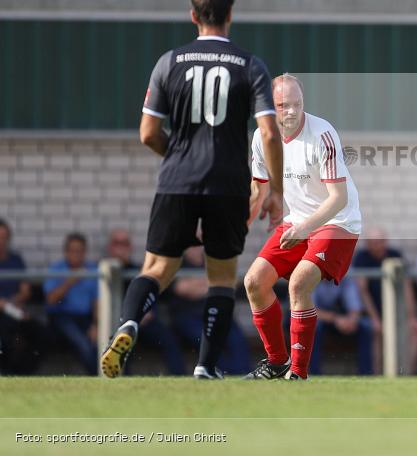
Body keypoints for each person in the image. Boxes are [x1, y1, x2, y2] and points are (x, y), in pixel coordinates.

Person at [101, 0, 284, 380]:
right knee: (220, 277)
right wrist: (276, 192)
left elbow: (148, 133)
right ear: (230, 15)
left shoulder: (169, 62)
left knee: (156, 268)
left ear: (193, 16)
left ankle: (129, 323)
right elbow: (269, 133)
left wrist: (180, 157)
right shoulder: (250, 65)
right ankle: (205, 365)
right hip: (228, 185)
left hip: (176, 181)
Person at [242, 74, 362, 381]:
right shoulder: (261, 138)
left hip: (337, 222)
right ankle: (276, 362)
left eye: (297, 104)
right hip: (298, 222)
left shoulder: (322, 133)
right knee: (254, 281)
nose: (292, 111)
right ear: (271, 106)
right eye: (283, 105)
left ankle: (298, 373)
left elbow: (338, 199)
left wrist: (303, 228)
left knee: (299, 283)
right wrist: (238, 225)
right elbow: (260, 189)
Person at [102, 229, 184, 375]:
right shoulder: (104, 274)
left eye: (124, 244)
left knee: (169, 340)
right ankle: (118, 379)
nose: (121, 248)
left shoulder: (142, 272)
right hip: (114, 324)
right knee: (121, 344)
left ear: (131, 247)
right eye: (117, 243)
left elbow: (158, 294)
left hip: (147, 323)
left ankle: (179, 376)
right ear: (110, 247)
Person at [166, 246, 251, 375]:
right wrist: (213, 286)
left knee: (237, 340)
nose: (196, 247)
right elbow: (181, 289)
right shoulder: (178, 264)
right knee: (207, 342)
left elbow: (231, 284)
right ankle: (227, 373)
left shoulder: (213, 262)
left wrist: (197, 285)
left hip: (217, 314)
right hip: (188, 317)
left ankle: (243, 373)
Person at [354, 226, 417, 374]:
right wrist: (375, 319)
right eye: (374, 242)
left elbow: (407, 288)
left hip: (397, 313)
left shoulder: (395, 256)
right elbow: (363, 292)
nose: (379, 245)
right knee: (375, 331)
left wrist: (412, 317)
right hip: (371, 313)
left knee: (416, 330)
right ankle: (378, 375)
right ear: (368, 244)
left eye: (381, 241)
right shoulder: (362, 258)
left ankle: (405, 373)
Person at [44, 233, 98, 375]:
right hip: (61, 317)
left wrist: (97, 325)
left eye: (79, 251)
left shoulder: (92, 270)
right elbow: (51, 300)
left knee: (101, 342)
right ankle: (98, 379)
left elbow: (97, 301)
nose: (76, 255)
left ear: (85, 252)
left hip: (85, 318)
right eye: (72, 251)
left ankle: (114, 376)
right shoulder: (56, 269)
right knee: (82, 343)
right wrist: (70, 281)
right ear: (66, 252)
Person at [0, 219, 43, 374]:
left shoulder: (15, 260)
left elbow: (26, 291)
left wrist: (10, 304)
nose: (1, 242)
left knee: (38, 332)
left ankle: (24, 374)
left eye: (4, 237)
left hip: (14, 310)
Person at [308, 278, 373, 375]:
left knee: (365, 326)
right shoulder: (310, 278)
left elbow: (355, 308)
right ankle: (313, 373)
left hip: (339, 320)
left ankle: (366, 374)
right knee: (314, 327)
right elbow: (307, 310)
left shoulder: (345, 278)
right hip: (316, 319)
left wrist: (351, 321)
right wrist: (335, 319)